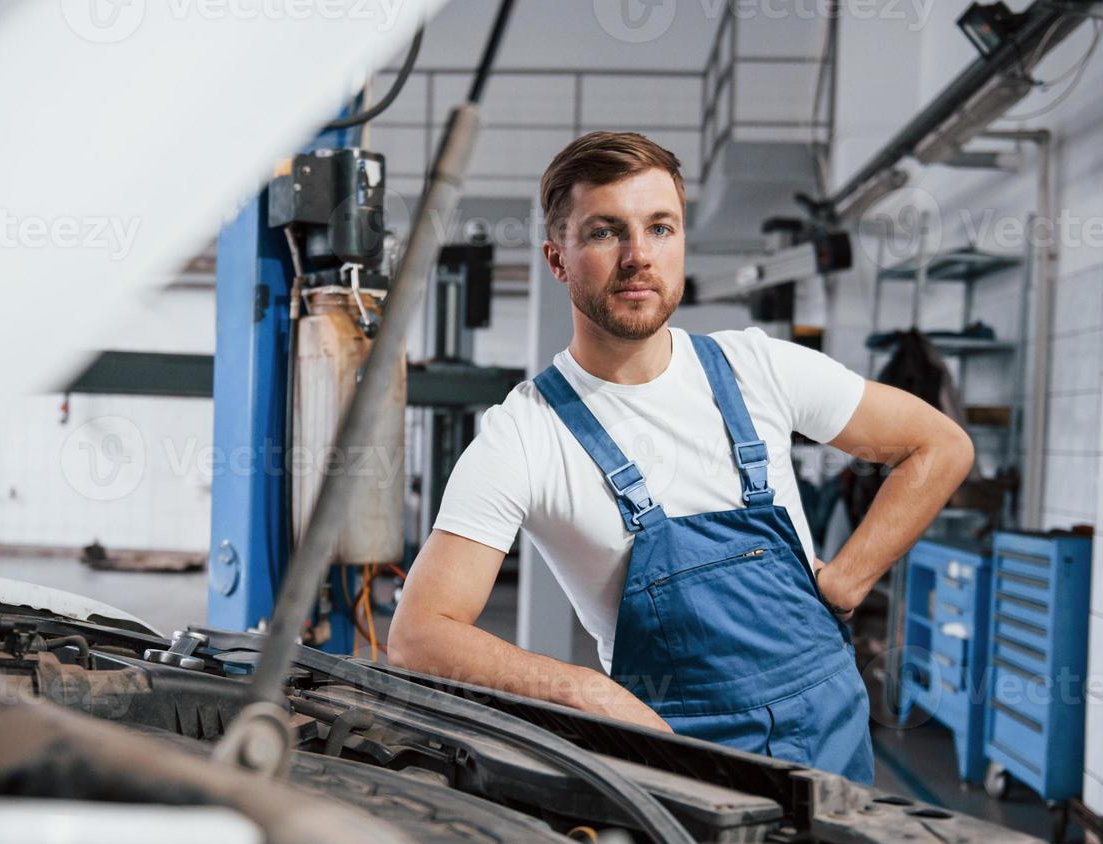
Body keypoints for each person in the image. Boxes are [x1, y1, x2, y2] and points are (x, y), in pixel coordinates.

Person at [387, 132, 975, 783]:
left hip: (830, 741)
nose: (639, 256)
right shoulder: (523, 435)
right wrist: (586, 692)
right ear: (558, 259)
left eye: (660, 228)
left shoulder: (758, 369)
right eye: (606, 232)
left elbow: (939, 445)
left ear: (682, 241)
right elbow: (418, 634)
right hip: (679, 765)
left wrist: (847, 580)